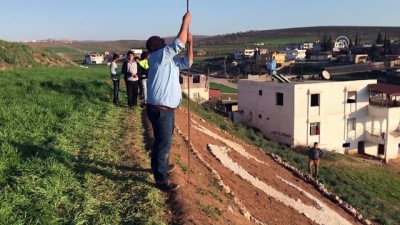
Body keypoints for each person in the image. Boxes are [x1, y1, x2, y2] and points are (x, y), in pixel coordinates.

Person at [146, 11, 193, 191]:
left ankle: (162, 167)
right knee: (163, 143)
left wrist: (191, 43)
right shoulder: (158, 57)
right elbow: (177, 44)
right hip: (160, 110)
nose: (163, 40)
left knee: (164, 142)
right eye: (159, 39)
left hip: (166, 110)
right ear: (153, 46)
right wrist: (185, 22)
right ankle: (161, 179)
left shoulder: (169, 61)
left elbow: (188, 62)